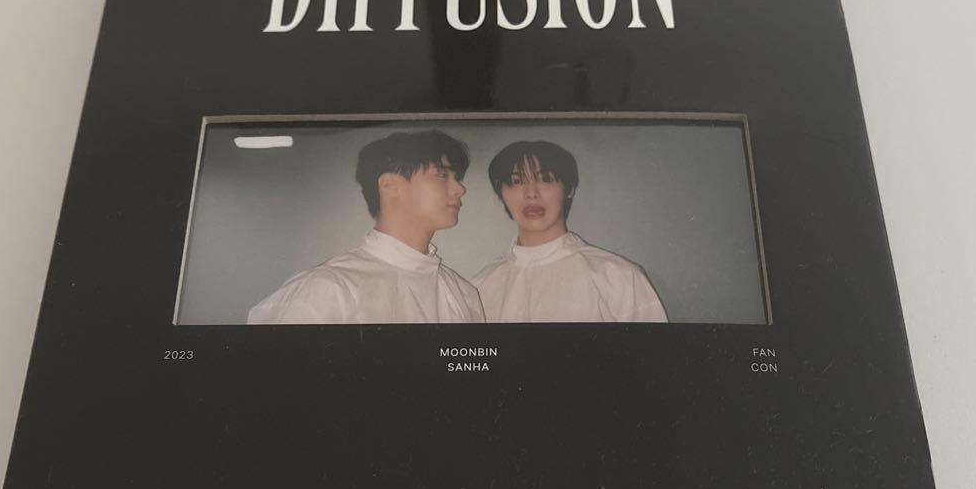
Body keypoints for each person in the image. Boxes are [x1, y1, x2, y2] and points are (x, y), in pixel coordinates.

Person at [248, 130, 485, 324]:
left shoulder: (463, 294)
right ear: (390, 185)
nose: (460, 189)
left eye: (457, 178)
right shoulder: (327, 291)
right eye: (442, 175)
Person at [472, 140, 668, 323]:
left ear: (569, 189)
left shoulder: (619, 277)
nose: (531, 193)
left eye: (545, 179)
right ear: (500, 195)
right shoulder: (479, 287)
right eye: (516, 181)